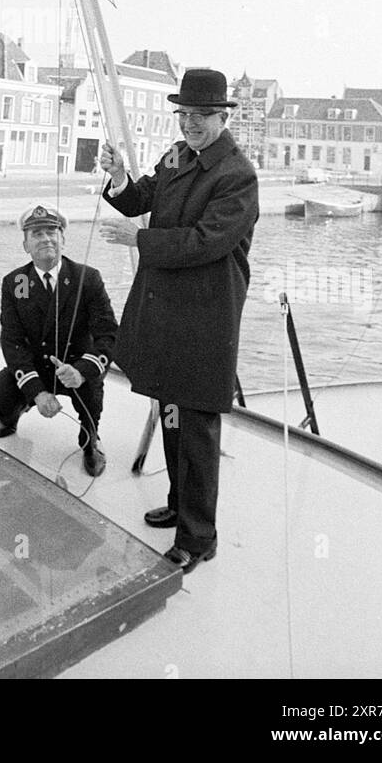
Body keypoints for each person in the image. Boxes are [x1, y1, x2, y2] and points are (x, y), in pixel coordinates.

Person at [99, 68, 258, 572]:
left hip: (204, 318)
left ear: (221, 117)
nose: (189, 124)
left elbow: (207, 242)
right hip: (168, 310)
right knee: (171, 413)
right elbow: (142, 197)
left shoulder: (237, 174)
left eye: (199, 116)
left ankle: (199, 536)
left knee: (196, 429)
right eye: (184, 114)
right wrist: (121, 177)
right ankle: (179, 501)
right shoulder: (178, 156)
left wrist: (139, 241)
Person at [0, 205, 118, 477]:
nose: (45, 238)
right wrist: (37, 392)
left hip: (76, 367)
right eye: (36, 234)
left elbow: (108, 335)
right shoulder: (16, 282)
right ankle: (14, 412)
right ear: (25, 245)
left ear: (63, 239)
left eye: (52, 232)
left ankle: (90, 441)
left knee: (91, 398)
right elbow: (12, 341)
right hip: (36, 368)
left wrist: (82, 371)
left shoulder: (87, 279)